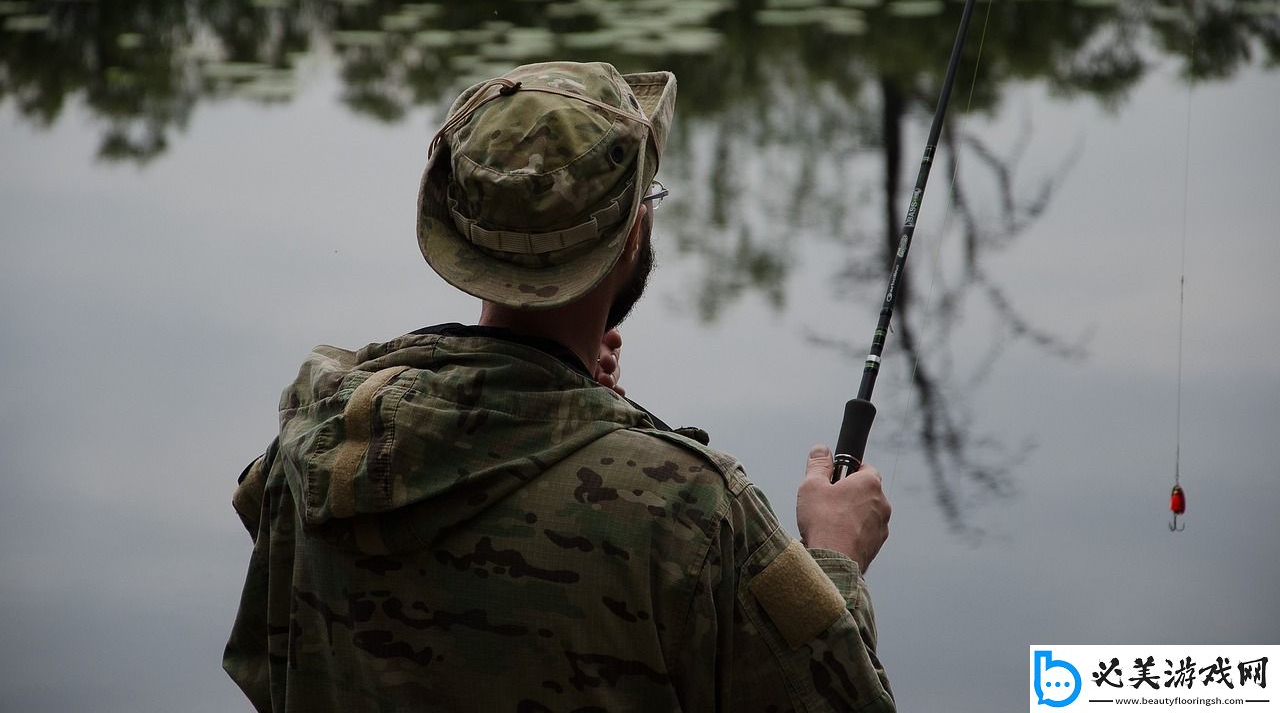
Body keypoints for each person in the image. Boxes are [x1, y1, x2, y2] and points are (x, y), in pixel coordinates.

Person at [224, 61, 895, 712]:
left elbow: (265, 671)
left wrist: (579, 405)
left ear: (462, 239)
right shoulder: (693, 511)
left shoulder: (313, 450)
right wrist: (835, 556)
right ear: (632, 235)